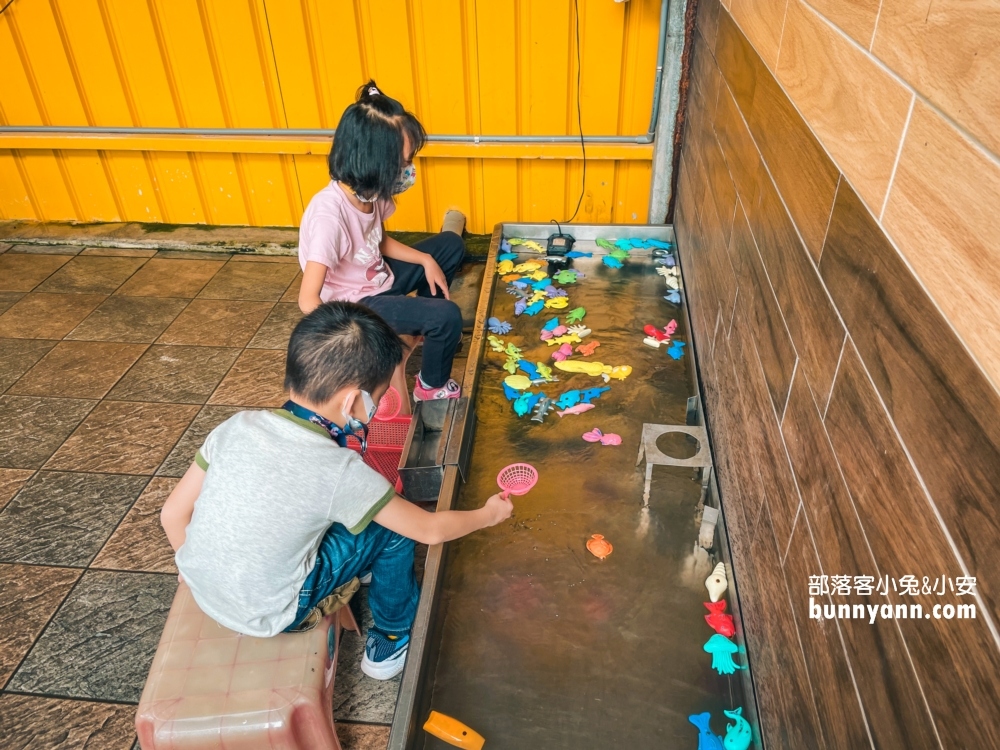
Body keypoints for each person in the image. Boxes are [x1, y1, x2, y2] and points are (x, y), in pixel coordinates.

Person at [160, 302, 513, 680]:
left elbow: (172, 515)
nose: (375, 408)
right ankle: (392, 636)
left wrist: (198, 568)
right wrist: (489, 514)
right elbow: (429, 530)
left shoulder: (237, 426)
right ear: (350, 400)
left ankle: (357, 570)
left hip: (202, 585)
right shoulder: (338, 470)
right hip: (275, 612)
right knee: (393, 529)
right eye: (375, 398)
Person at [297, 80, 466, 402]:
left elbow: (377, 241)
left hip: (377, 276)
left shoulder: (370, 193)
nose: (408, 170)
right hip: (357, 303)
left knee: (450, 245)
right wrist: (353, 342)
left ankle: (428, 329)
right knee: (447, 316)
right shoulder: (329, 217)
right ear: (372, 161)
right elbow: (308, 299)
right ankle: (431, 386)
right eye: (402, 164)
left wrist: (425, 260)